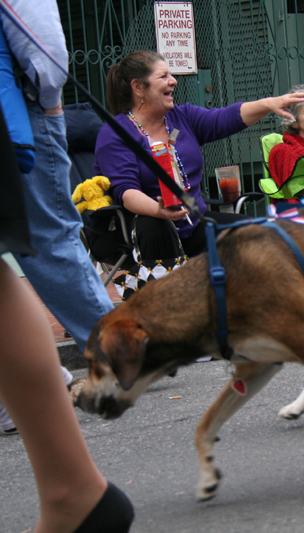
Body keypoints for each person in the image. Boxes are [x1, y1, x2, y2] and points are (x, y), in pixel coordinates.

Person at [0, 101, 133, 532]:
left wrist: (47, 102)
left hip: (23, 113)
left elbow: (44, 46)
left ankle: (117, 350)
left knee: (48, 242)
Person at [94, 51, 304, 297]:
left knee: (265, 236)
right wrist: (158, 209)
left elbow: (224, 118)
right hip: (148, 231)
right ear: (138, 87)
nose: (173, 81)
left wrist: (269, 104)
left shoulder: (181, 117)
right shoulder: (115, 134)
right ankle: (169, 314)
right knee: (154, 224)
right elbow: (126, 192)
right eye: (163, 76)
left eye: (171, 74)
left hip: (194, 224)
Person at [3, 0, 115, 354]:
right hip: (21, 112)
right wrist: (49, 100)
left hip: (20, 110)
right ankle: (117, 349)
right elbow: (44, 47)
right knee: (49, 238)